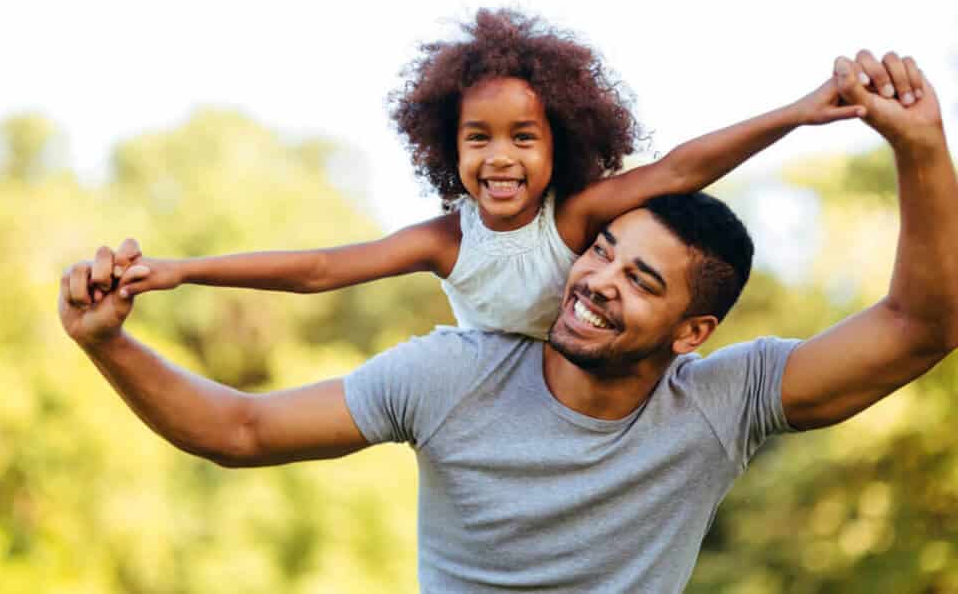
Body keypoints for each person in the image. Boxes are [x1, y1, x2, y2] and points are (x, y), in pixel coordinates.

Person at [59, 51, 956, 592]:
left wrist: (920, 150)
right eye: (601, 249)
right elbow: (239, 426)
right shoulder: (452, 373)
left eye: (641, 279)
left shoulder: (723, 403)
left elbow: (921, 322)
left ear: (693, 332)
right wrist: (110, 342)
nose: (596, 278)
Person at [99, 9, 865, 341]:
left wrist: (796, 113)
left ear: (558, 145)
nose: (500, 157)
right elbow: (321, 268)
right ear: (448, 146)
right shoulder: (445, 240)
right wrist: (182, 270)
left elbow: (681, 167)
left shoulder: (573, 220)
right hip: (492, 400)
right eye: (478, 138)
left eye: (523, 137)